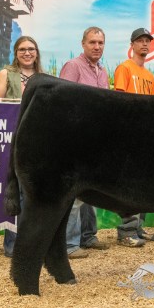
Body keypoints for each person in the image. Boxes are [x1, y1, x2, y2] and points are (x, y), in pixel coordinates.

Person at [59, 26, 111, 258]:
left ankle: (88, 236)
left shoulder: (102, 71)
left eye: (100, 43)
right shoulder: (73, 66)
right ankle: (69, 244)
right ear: (83, 44)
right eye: (92, 42)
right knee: (73, 194)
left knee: (92, 189)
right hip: (76, 139)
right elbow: (63, 102)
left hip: (96, 140)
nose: (97, 47)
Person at [0, 35, 45, 257]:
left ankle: (33, 244)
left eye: (31, 49)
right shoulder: (6, 74)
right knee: (16, 193)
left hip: (38, 143)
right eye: (22, 49)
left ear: (37, 52)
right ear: (15, 53)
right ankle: (12, 245)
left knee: (35, 194)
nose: (27, 53)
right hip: (13, 141)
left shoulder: (43, 77)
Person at [113, 28, 154, 247]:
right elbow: (119, 102)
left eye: (147, 41)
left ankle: (139, 227)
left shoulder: (149, 75)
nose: (145, 44)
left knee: (144, 183)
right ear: (132, 45)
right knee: (130, 183)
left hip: (146, 135)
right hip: (129, 133)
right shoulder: (124, 68)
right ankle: (126, 231)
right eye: (140, 41)